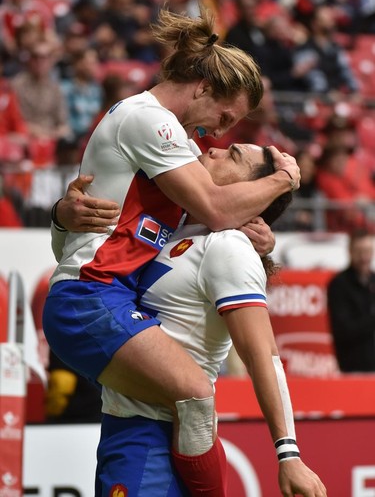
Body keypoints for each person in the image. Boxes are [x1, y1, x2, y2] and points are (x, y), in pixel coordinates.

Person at [43, 6, 300, 495]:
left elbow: (194, 224)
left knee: (177, 404)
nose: (221, 133)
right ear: (202, 87)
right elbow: (217, 207)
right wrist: (285, 177)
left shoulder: (174, 144)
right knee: (197, 394)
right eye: (225, 116)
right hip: (91, 297)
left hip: (104, 297)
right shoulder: (152, 121)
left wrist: (265, 241)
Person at [95, 144, 326, 497]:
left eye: (232, 156)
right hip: (122, 427)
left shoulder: (228, 247)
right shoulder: (179, 226)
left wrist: (288, 453)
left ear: (252, 190)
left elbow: (262, 354)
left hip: (157, 436)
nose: (214, 149)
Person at [327, 228, 375, 373]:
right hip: (354, 366)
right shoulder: (339, 284)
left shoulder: (373, 280)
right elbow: (344, 329)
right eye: (359, 251)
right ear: (350, 251)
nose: (364, 257)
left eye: (367, 251)